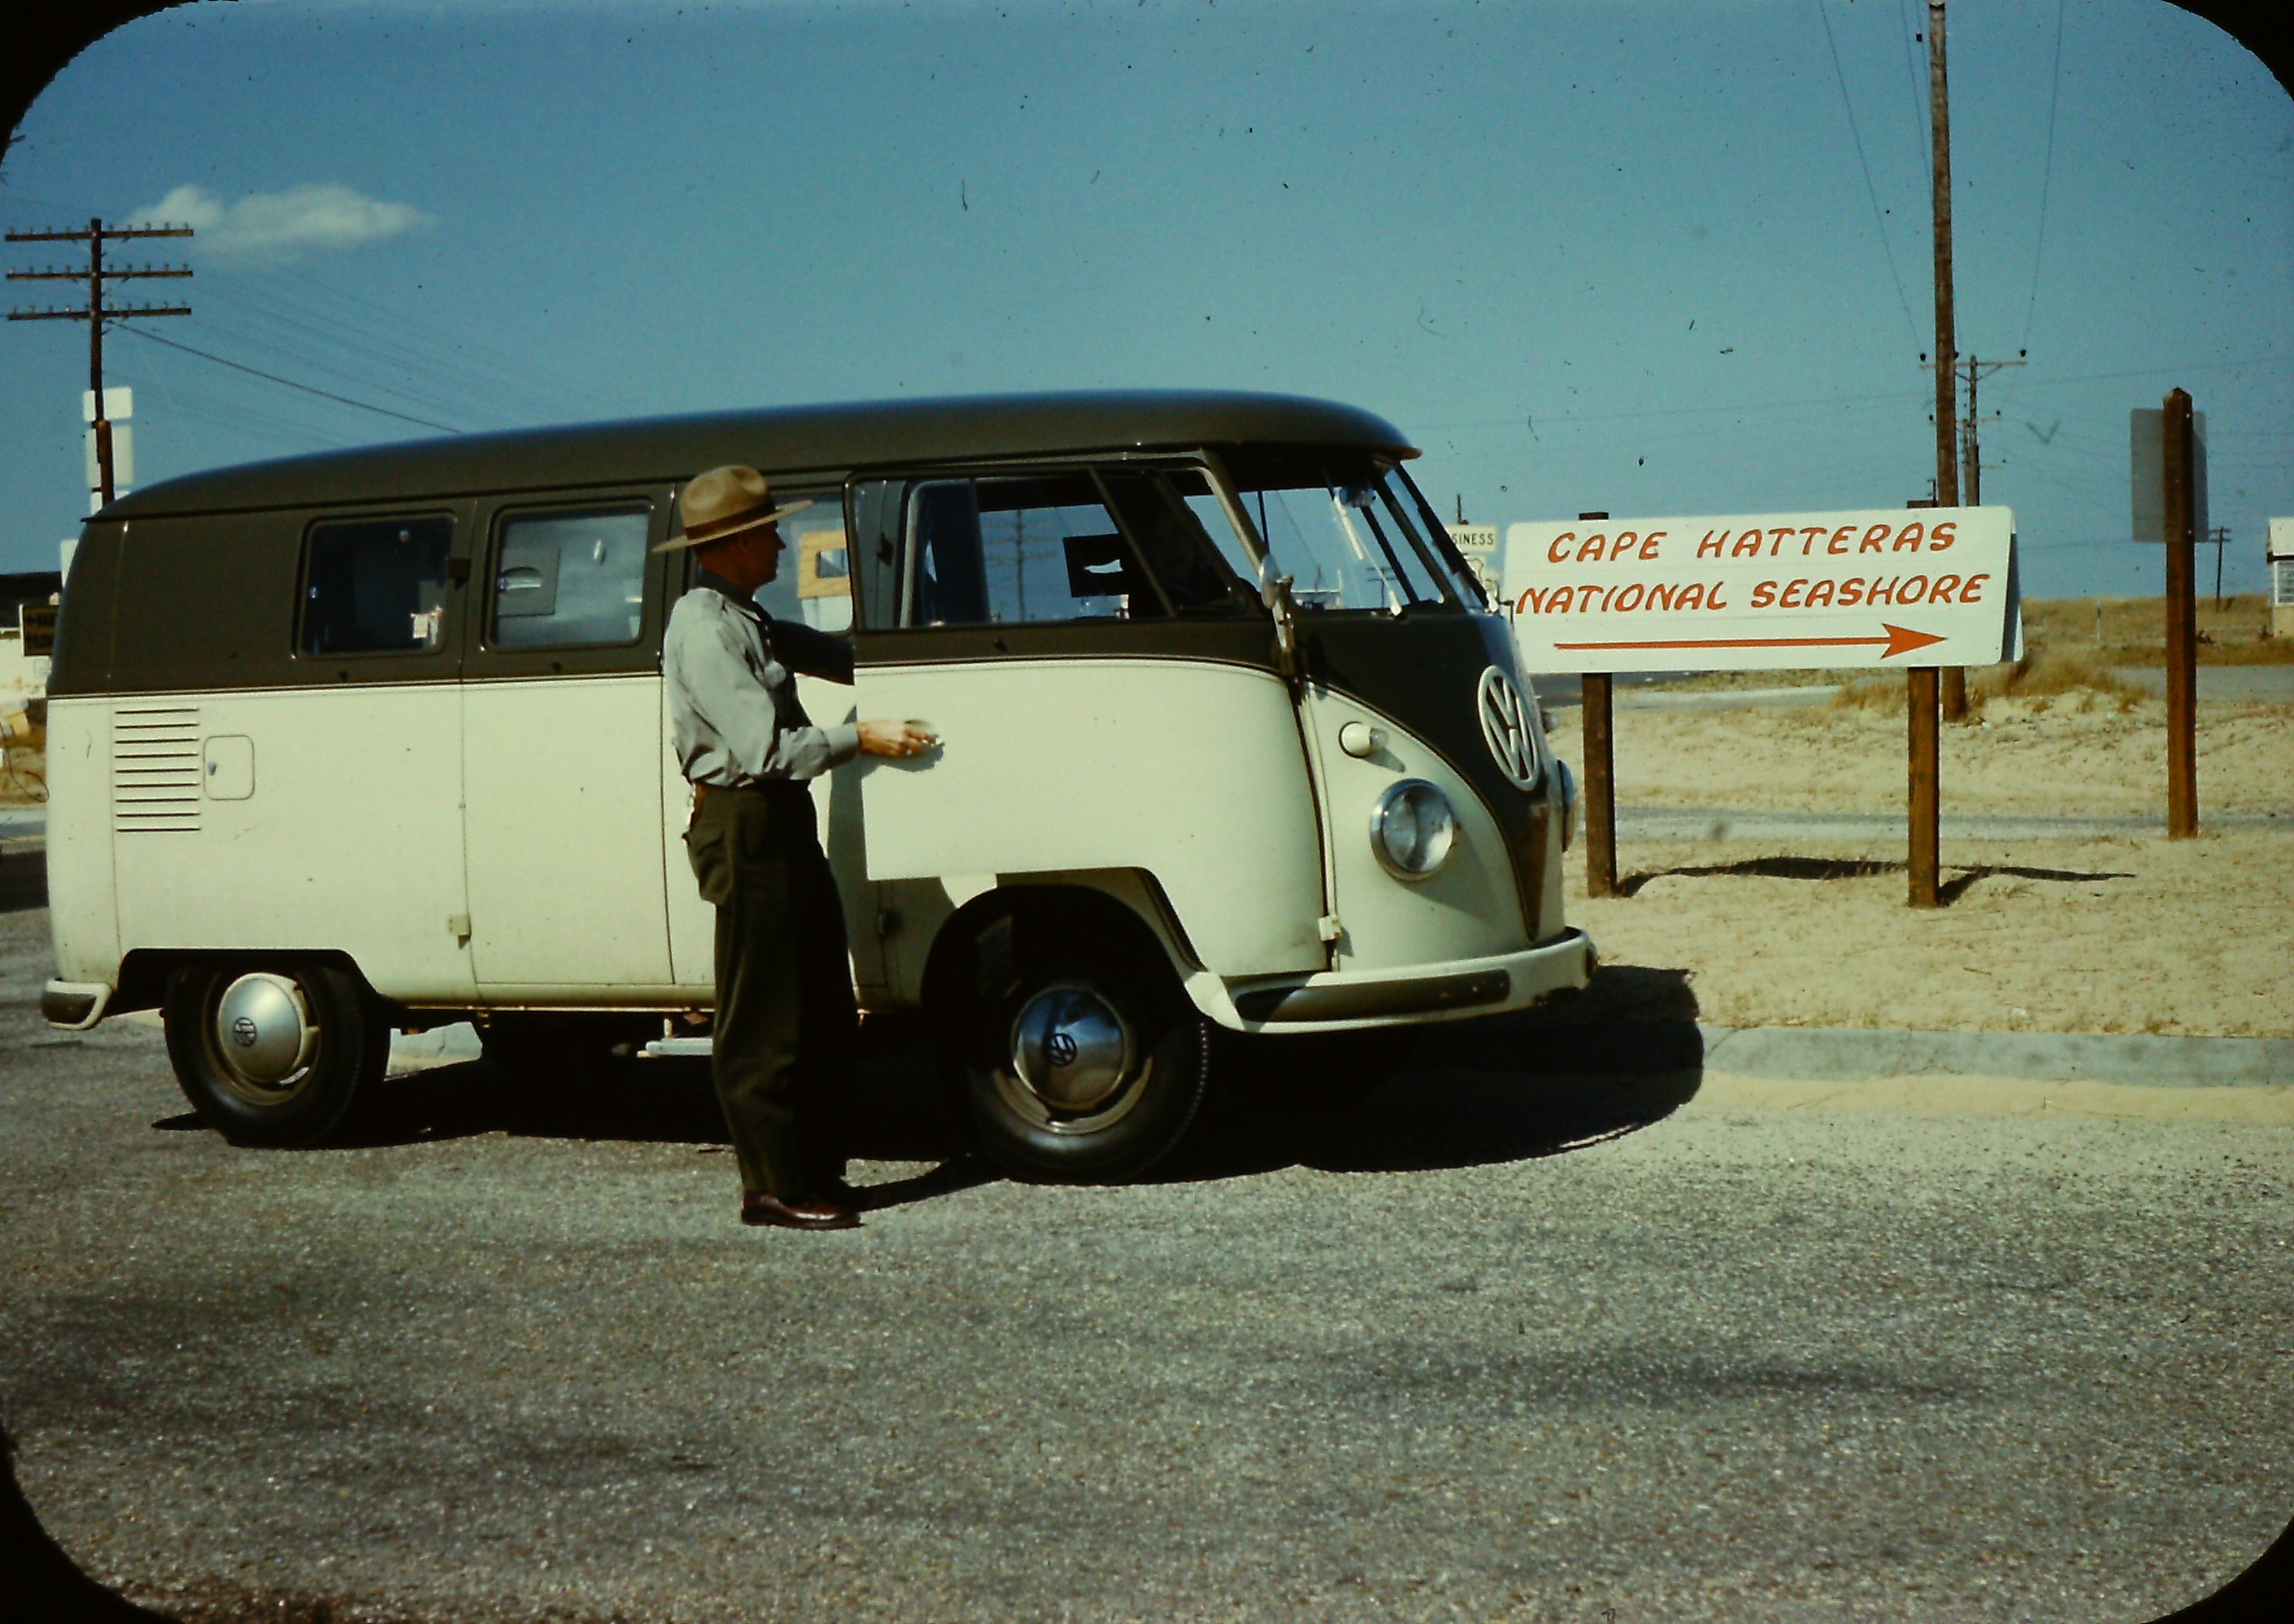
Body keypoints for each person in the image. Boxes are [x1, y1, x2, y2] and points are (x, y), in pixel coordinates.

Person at [657, 466, 935, 1231]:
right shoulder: (708, 629)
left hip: (774, 820)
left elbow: (836, 654)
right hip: (747, 820)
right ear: (734, 543)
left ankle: (809, 1169)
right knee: (766, 1016)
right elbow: (766, 747)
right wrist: (861, 736)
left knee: (815, 1000)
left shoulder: (745, 616)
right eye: (768, 531)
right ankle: (772, 1185)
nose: (781, 541)